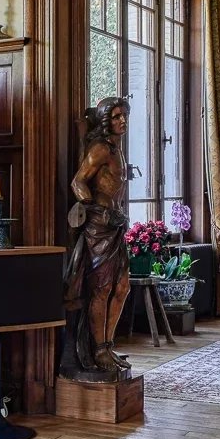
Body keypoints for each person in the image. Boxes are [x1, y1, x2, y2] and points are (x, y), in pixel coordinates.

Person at [61, 97, 132, 381]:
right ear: (105, 121)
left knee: (122, 287)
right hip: (99, 228)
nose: (122, 120)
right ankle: (99, 349)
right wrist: (94, 208)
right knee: (101, 289)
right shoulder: (101, 149)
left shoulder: (117, 148)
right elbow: (78, 182)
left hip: (115, 225)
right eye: (116, 117)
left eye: (124, 115)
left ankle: (108, 344)